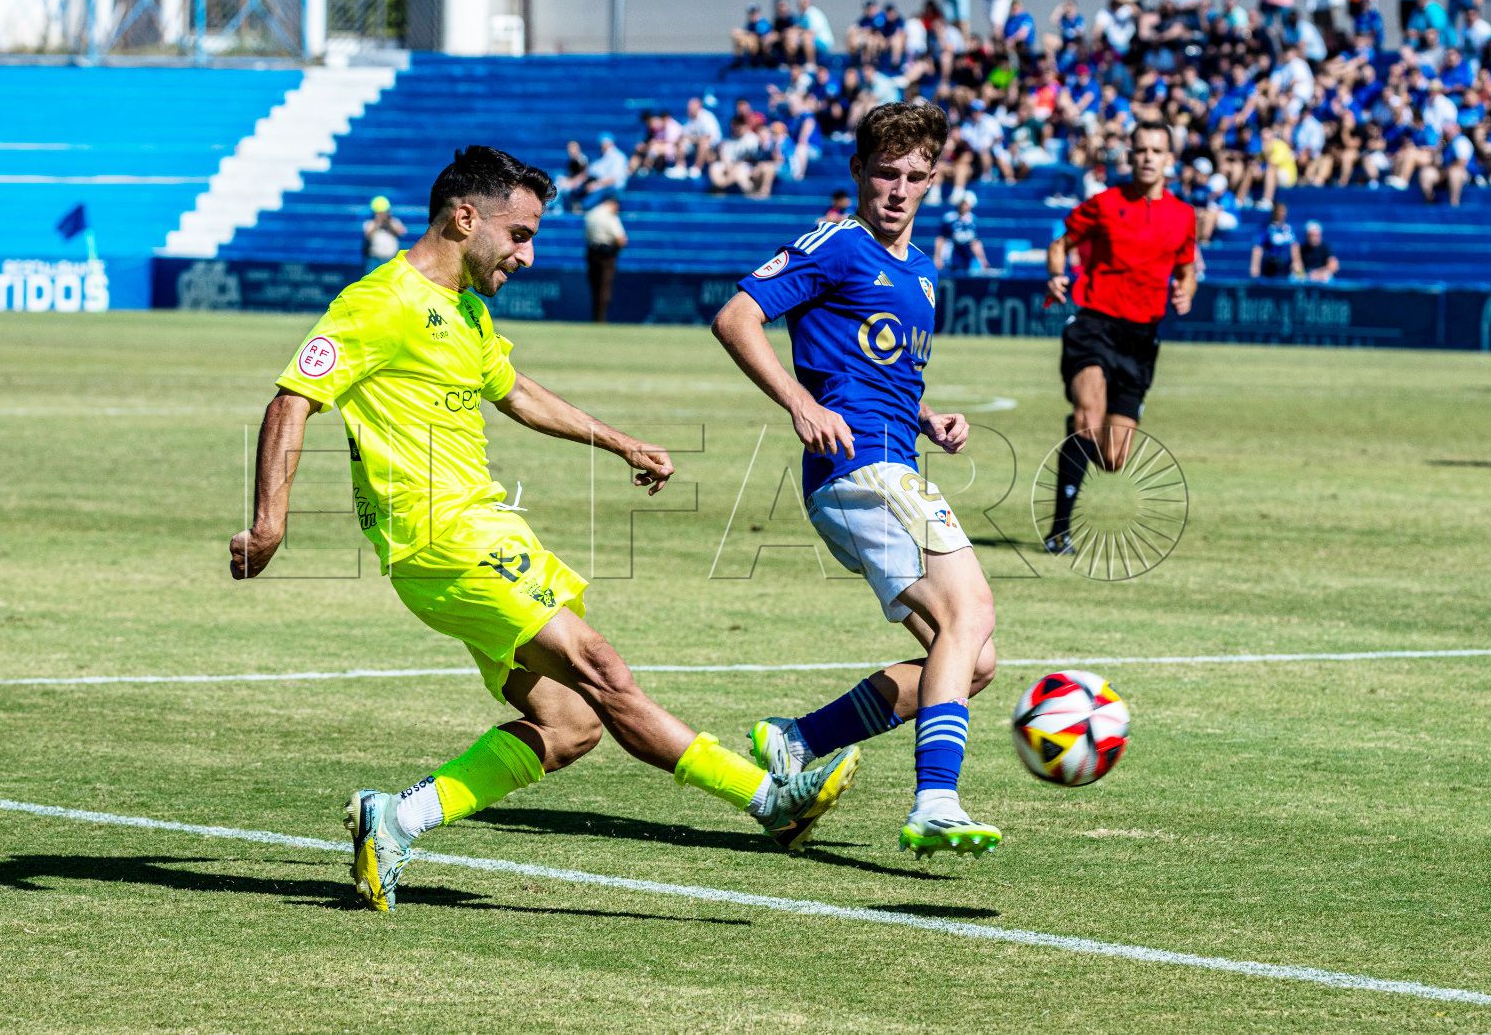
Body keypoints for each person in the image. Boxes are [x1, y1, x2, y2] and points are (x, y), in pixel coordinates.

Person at [229, 146, 859, 913]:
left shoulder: (464, 306)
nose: (527, 255)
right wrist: (269, 525)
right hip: (446, 542)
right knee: (603, 670)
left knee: (570, 725)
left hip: (486, 533)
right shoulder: (381, 301)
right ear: (465, 217)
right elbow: (293, 398)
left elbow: (517, 393)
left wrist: (619, 440)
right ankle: (771, 800)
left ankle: (395, 819)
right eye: (519, 233)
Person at [710, 102, 1004, 859]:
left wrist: (928, 417)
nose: (898, 190)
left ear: (933, 179)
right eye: (884, 173)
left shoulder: (922, 271)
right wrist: (800, 402)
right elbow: (736, 318)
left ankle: (795, 740)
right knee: (971, 606)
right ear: (858, 173)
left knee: (971, 662)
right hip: (857, 468)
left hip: (889, 459)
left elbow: (878, 374)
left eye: (914, 176)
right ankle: (936, 800)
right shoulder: (838, 243)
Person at [1042, 120, 1197, 556]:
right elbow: (1061, 245)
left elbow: (1187, 268)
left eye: (1156, 150)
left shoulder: (1184, 216)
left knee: (1113, 459)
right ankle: (1059, 532)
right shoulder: (1105, 204)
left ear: (1169, 159)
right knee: (1087, 416)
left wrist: (1187, 290)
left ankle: (1077, 441)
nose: (1148, 157)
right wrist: (1056, 275)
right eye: (1141, 150)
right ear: (1130, 156)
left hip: (1141, 339)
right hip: (1094, 326)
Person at [584, 196, 627, 322]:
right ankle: (601, 319)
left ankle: (595, 317)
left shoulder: (591, 214)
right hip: (606, 255)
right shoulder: (610, 216)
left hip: (592, 253)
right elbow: (621, 239)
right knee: (604, 288)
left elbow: (587, 236)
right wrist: (615, 251)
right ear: (612, 203)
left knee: (594, 287)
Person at [935, 191, 990, 273]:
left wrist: (982, 259)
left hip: (967, 258)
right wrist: (938, 257)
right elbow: (941, 239)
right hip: (950, 258)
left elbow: (975, 242)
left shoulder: (973, 220)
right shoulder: (949, 218)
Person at [1251, 200, 1301, 280]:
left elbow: (1295, 248)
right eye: (1280, 211)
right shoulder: (1268, 228)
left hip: (1286, 266)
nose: (1282, 213)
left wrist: (1299, 268)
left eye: (1284, 211)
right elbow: (1258, 248)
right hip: (1271, 267)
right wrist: (1255, 267)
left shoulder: (1289, 229)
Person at [362, 196, 405, 275]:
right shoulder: (370, 223)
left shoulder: (394, 222)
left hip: (391, 259)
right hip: (375, 260)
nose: (382, 215)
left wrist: (388, 222)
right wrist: (377, 222)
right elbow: (368, 235)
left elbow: (401, 232)